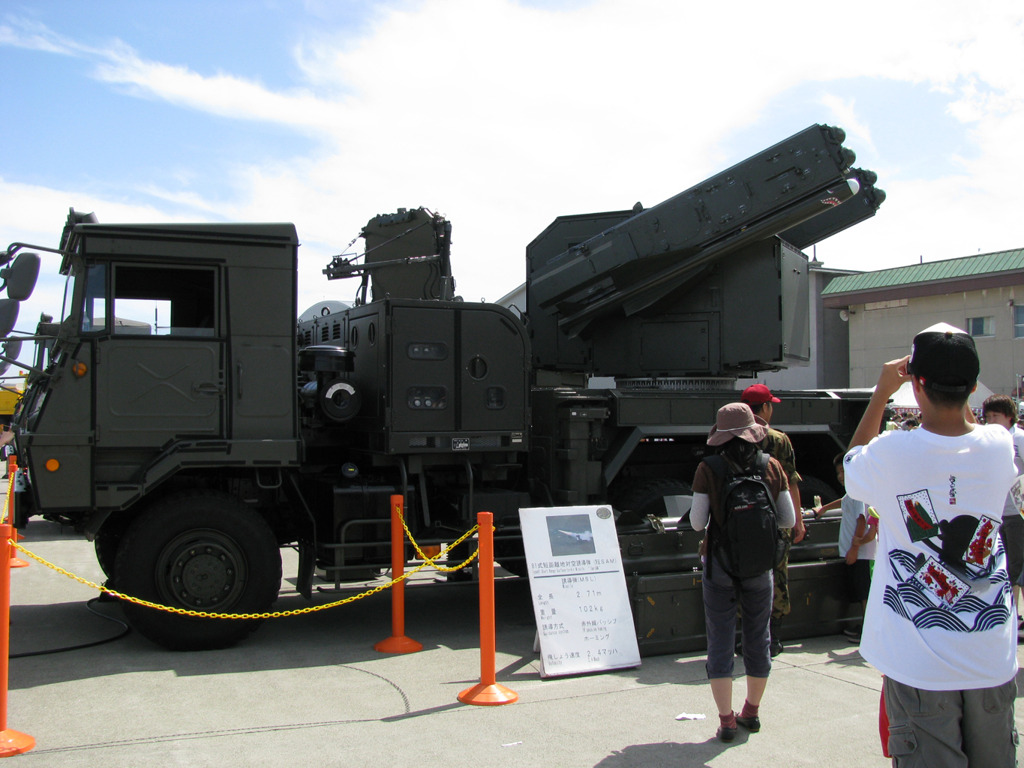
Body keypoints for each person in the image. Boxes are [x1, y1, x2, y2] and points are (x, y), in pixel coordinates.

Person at [843, 322, 1018, 766]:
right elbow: (969, 432)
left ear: (915, 385)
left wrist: (882, 392)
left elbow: (850, 471)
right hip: (991, 658)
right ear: (974, 387)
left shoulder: (891, 452)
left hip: (919, 666)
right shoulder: (1000, 447)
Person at [689, 402, 795, 742]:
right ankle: (751, 711)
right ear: (754, 432)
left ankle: (726, 720)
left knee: (719, 640)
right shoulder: (771, 465)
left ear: (719, 435)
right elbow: (788, 520)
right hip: (760, 566)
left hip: (719, 564)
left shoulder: (708, 468)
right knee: (757, 638)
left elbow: (695, 522)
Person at [741, 383, 803, 656]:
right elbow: (791, 483)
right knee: (778, 575)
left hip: (742, 521)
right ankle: (773, 637)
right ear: (764, 407)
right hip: (776, 520)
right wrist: (798, 521)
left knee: (744, 575)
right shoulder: (778, 440)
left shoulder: (732, 438)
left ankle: (745, 637)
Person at [812, 453, 876, 642]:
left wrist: (854, 549)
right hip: (857, 552)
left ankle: (867, 632)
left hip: (862, 553)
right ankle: (864, 627)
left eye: (844, 471)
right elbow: (844, 501)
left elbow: (861, 520)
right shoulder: (852, 492)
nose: (840, 476)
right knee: (859, 590)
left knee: (864, 593)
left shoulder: (860, 493)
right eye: (838, 472)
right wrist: (823, 508)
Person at [982, 394, 1024, 636]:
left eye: (995, 416)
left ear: (1009, 417)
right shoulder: (987, 442)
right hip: (996, 513)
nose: (990, 421)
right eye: (987, 417)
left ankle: (1015, 616)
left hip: (1017, 513)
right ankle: (1009, 615)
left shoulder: (1018, 439)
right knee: (1001, 567)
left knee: (1016, 566)